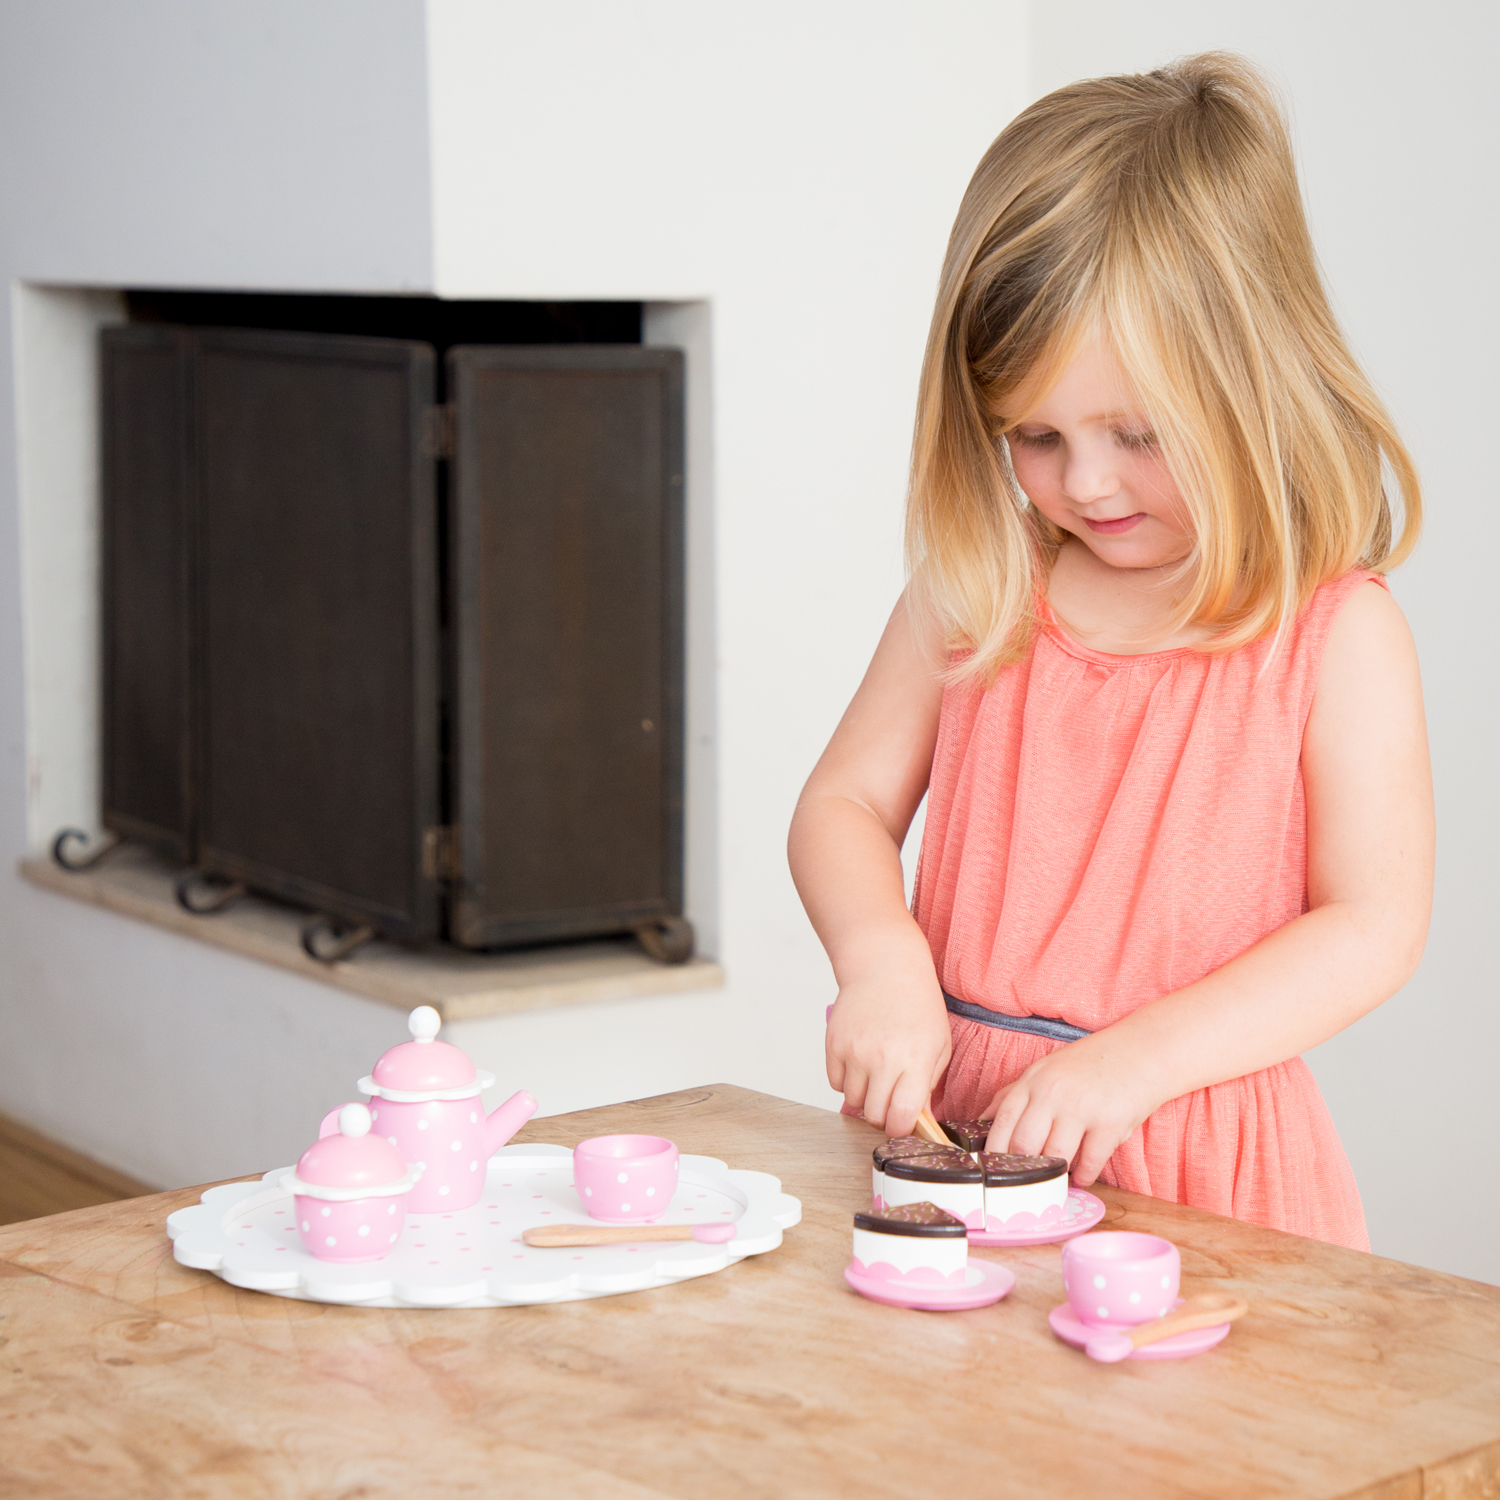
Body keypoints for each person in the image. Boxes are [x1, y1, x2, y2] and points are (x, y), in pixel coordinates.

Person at [786, 53, 1433, 1251]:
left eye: (1136, 433)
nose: (1084, 483)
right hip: (960, 1142)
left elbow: (1372, 925)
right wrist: (880, 962)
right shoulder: (977, 594)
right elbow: (841, 802)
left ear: (1257, 384)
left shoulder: (1337, 637)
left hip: (1197, 1167)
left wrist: (1134, 1066)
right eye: (1033, 435)